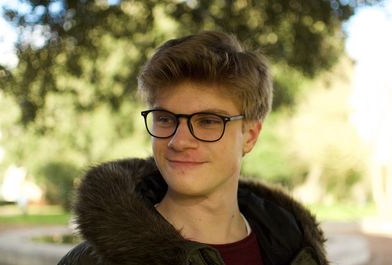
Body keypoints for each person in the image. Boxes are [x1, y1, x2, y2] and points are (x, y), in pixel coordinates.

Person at [58, 31, 328, 265]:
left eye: (208, 121)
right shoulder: (91, 261)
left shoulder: (296, 249)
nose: (179, 141)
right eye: (165, 119)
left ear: (250, 136)